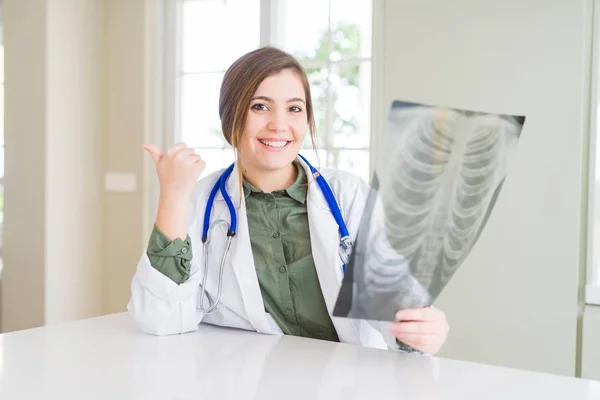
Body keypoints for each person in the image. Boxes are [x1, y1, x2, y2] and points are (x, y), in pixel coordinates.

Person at [127, 46, 449, 355]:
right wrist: (172, 193)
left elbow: (392, 301)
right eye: (260, 106)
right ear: (231, 117)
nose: (279, 124)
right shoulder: (200, 203)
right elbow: (160, 318)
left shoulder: (348, 197)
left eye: (294, 108)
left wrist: (419, 330)